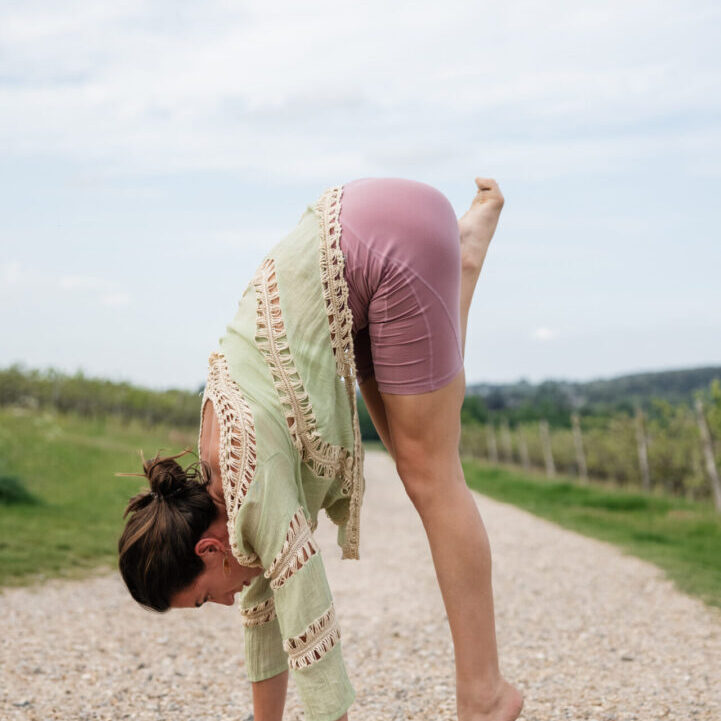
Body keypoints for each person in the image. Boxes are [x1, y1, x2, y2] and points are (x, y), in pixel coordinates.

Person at [117, 176, 523, 721]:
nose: (225, 603)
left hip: (387, 243)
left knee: (431, 473)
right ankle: (460, 260)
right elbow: (267, 612)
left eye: (203, 598)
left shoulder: (251, 483)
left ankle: (486, 695)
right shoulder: (222, 484)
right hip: (367, 222)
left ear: (207, 552)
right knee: (416, 443)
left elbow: (311, 635)